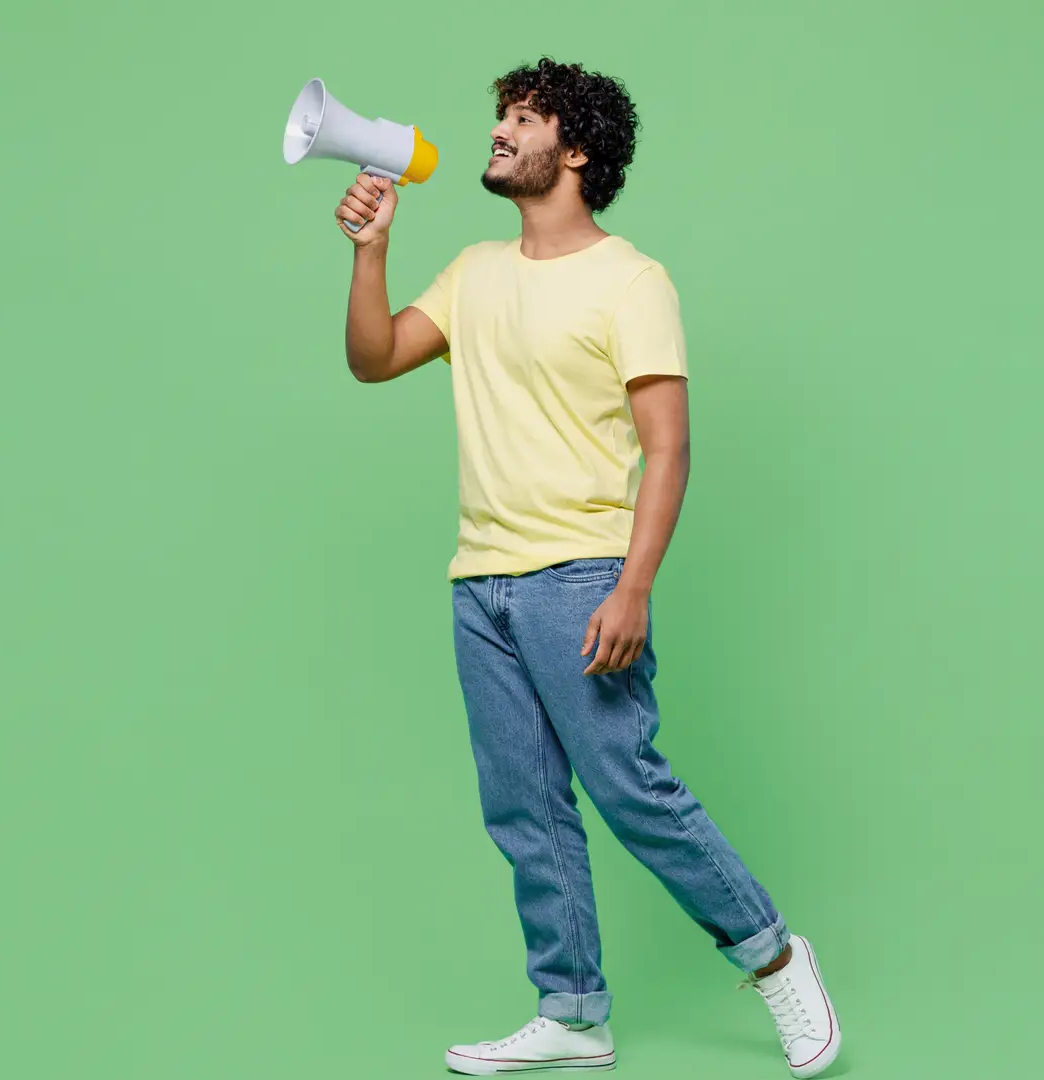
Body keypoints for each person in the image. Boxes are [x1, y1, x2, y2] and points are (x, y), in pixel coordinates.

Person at [334, 58, 841, 1078]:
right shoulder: (475, 272)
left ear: (575, 151)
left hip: (580, 576)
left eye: (524, 118)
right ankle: (571, 1009)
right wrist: (371, 251)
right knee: (522, 805)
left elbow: (670, 446)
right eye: (501, 115)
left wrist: (634, 586)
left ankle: (777, 957)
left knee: (630, 788)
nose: (500, 131)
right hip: (480, 581)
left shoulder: (632, 281)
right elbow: (375, 356)